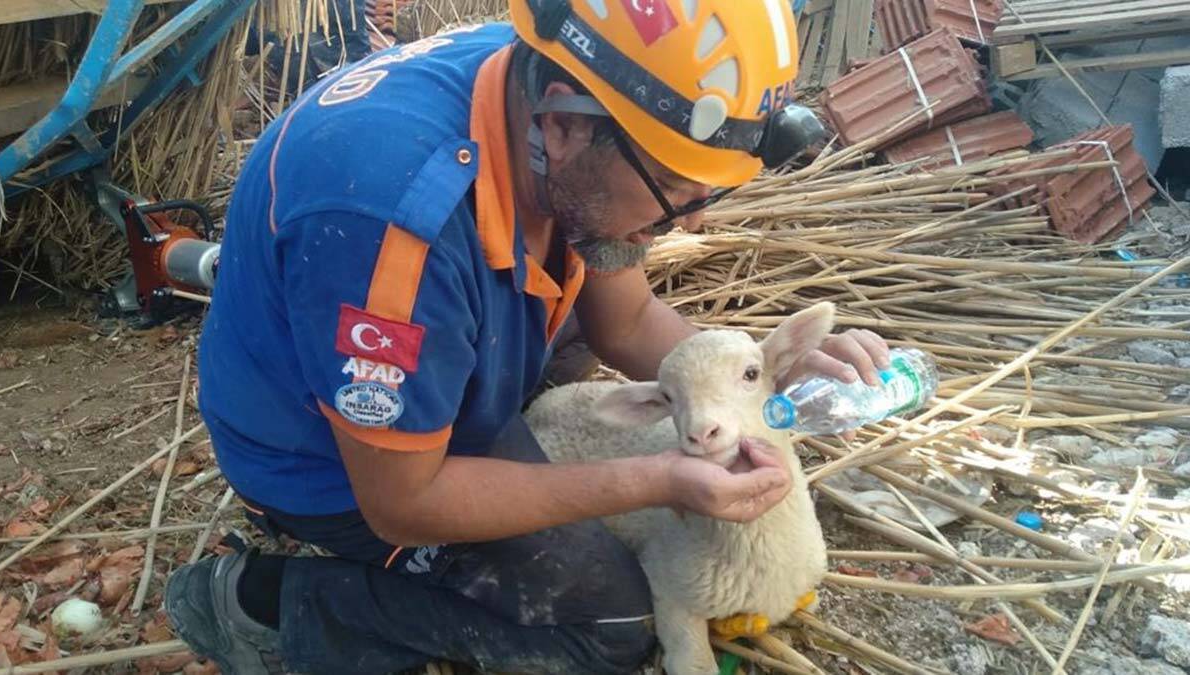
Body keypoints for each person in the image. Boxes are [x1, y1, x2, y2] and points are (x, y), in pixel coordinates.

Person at [164, 1, 891, 673]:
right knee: (613, 623)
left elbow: (627, 321)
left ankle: (489, 421)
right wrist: (657, 479)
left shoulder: (567, 91)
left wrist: (758, 375)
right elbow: (404, 504)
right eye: (675, 186)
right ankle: (267, 605)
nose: (692, 221)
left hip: (435, 350)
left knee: (582, 294)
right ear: (564, 125)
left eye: (709, 192)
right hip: (336, 469)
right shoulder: (395, 230)